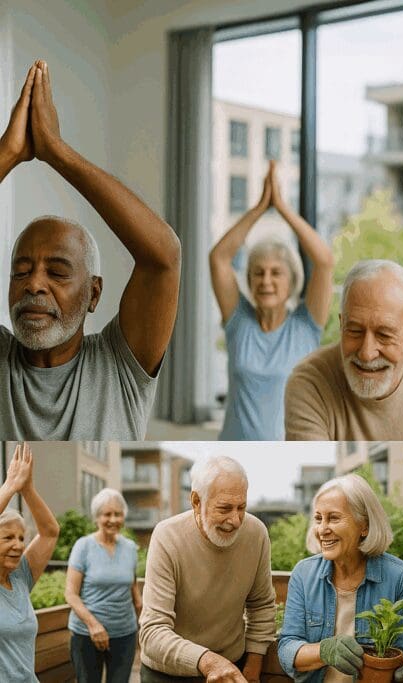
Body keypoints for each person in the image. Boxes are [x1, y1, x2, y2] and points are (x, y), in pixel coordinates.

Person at [0, 61, 180, 440]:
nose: (34, 284)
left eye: (57, 271)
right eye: (21, 270)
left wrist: (58, 152)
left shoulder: (118, 363)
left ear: (93, 293)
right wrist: (8, 152)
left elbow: (163, 256)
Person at [210, 160, 333, 440]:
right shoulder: (238, 321)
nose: (266, 281)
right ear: (250, 281)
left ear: (291, 280)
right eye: (258, 273)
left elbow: (324, 261)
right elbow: (218, 258)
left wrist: (283, 208)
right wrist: (259, 209)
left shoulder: (306, 325)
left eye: (276, 273)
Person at [285, 260, 403, 441]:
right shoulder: (310, 382)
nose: (367, 353)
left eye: (384, 335)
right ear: (342, 324)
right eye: (355, 331)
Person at [278, 474, 403, 682]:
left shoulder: (398, 576)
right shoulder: (303, 574)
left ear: (364, 526)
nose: (322, 529)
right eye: (319, 518)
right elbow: (287, 647)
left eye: (334, 518)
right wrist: (324, 650)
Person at [138, 456, 275, 683]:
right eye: (224, 508)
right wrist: (208, 661)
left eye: (241, 507)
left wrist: (253, 666)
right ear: (196, 501)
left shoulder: (257, 533)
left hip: (232, 667)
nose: (236, 520)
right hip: (167, 674)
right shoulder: (166, 537)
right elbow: (152, 633)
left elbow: (260, 605)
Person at [64, 488, 141, 683]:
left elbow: (133, 590)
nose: (113, 520)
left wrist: (145, 623)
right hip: (87, 635)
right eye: (107, 514)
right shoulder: (83, 546)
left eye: (118, 514)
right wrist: (93, 625)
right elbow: (71, 594)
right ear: (97, 517)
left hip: (125, 634)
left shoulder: (130, 548)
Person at [0, 444, 60, 680]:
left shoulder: (21, 576)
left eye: (21, 538)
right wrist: (9, 486)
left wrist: (27, 490)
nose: (18, 545)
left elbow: (50, 532)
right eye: (7, 538)